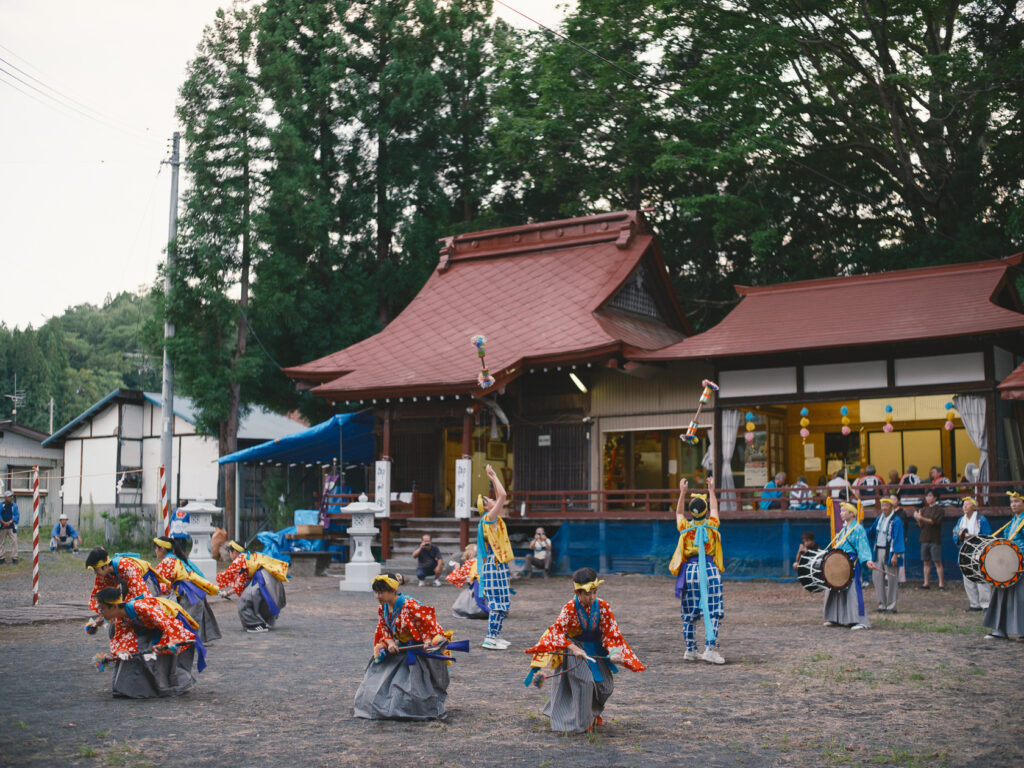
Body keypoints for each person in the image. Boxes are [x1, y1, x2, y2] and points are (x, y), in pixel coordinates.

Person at [524, 567, 645, 733]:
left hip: (596, 649)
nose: (591, 597)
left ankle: (593, 713)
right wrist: (574, 648)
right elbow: (557, 632)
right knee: (585, 683)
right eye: (587, 594)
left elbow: (611, 632)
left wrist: (614, 652)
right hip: (575, 648)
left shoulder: (603, 606)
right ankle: (583, 722)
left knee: (605, 685)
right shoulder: (569, 608)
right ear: (578, 593)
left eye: (594, 592)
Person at [353, 573, 455, 720]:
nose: (378, 596)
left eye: (381, 592)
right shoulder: (383, 608)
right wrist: (391, 642)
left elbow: (428, 622)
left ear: (393, 591)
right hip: (400, 647)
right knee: (378, 680)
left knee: (413, 686)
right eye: (376, 592)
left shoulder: (410, 605)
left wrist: (427, 640)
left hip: (418, 649)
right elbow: (384, 628)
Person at [92, 586, 201, 698]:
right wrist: (120, 651)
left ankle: (170, 685)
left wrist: (163, 644)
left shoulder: (142, 608)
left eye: (102, 609)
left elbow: (166, 624)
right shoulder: (120, 617)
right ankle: (131, 687)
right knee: (133, 655)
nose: (100, 612)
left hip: (171, 623)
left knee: (159, 660)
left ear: (114, 607)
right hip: (151, 627)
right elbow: (120, 637)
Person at [670, 475, 726, 663]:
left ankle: (690, 649)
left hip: (690, 571)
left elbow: (678, 514)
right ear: (705, 511)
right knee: (713, 608)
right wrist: (711, 489)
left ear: (691, 511)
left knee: (689, 610)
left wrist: (682, 493)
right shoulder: (711, 525)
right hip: (709, 569)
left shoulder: (685, 526)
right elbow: (716, 509)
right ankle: (710, 648)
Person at [153, 536, 222, 643]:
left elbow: (156, 581)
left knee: (183, 619)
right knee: (192, 620)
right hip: (196, 592)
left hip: (188, 594)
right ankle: (192, 642)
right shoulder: (179, 559)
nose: (155, 551)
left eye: (156, 548)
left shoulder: (167, 561)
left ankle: (187, 643)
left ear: (162, 549)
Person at [823, 502, 878, 630]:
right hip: (840, 562)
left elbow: (862, 545)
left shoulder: (858, 529)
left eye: (843, 511)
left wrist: (867, 559)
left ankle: (860, 620)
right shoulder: (844, 529)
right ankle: (837, 618)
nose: (841, 513)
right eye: (840, 511)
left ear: (852, 513)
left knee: (853, 590)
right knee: (836, 589)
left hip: (851, 562)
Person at [215, 540, 289, 633]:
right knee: (259, 599)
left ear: (234, 552)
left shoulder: (239, 559)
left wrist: (212, 587)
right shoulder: (247, 558)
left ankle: (255, 625)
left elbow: (226, 575)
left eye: (230, 552)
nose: (230, 555)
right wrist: (227, 593)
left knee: (245, 601)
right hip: (269, 578)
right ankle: (264, 622)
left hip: (263, 578)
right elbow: (240, 584)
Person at [477, 464, 512, 650]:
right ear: (486, 506)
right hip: (494, 564)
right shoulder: (488, 518)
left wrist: (493, 478)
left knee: (503, 602)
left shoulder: (491, 518)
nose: (492, 499)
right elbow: (504, 496)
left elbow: (501, 496)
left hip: (497, 563)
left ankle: (496, 635)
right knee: (498, 603)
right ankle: (490, 637)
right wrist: (493, 476)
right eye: (488, 499)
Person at [983, 491, 1024, 640]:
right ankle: (1000, 629)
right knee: (1001, 593)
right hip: (1009, 563)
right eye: (1012, 501)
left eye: (1017, 501)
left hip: (1021, 564)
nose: (1013, 504)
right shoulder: (1013, 521)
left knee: (1021, 597)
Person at [86, 548, 168, 616]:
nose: (95, 573)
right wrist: (102, 614)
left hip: (144, 582)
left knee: (145, 607)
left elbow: (140, 593)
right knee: (122, 608)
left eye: (96, 569)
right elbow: (99, 594)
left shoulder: (127, 567)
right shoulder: (104, 573)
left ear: (106, 566)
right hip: (127, 584)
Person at [952, 498, 992, 612]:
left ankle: (986, 604)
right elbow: (955, 533)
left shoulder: (981, 520)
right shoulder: (961, 520)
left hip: (978, 551)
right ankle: (974, 603)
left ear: (974, 507)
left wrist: (973, 536)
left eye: (968, 505)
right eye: (963, 505)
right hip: (965, 550)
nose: (964, 507)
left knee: (981, 578)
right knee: (968, 578)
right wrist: (959, 536)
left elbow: (987, 536)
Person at [866, 496, 905, 613]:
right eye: (882, 505)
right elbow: (872, 532)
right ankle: (881, 604)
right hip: (878, 551)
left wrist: (895, 555)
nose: (884, 508)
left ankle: (891, 605)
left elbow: (898, 538)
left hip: (890, 552)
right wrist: (861, 531)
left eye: (886, 505)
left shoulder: (896, 521)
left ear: (891, 507)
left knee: (892, 579)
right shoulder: (879, 519)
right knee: (877, 578)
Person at [914, 489, 946, 590]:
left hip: (935, 539)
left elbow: (933, 522)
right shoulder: (924, 510)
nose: (928, 498)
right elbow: (920, 525)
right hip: (924, 538)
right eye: (927, 496)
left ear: (935, 498)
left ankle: (941, 583)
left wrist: (920, 517)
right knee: (926, 562)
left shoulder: (939, 510)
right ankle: (926, 583)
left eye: (930, 496)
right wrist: (918, 518)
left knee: (937, 562)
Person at [446, 544, 488, 620]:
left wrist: (457, 568)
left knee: (466, 603)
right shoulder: (483, 560)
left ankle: (481, 612)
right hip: (487, 586)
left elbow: (456, 577)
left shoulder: (470, 562)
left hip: (477, 587)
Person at [0, 489, 19, 564]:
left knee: (14, 542)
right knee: (1, 542)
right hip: (2, 527)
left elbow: (16, 515)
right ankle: (1, 557)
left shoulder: (14, 505)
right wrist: (3, 522)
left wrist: (10, 522)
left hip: (12, 527)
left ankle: (15, 558)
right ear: (5, 497)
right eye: (9, 496)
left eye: (11, 496)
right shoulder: (1, 505)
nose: (11, 498)